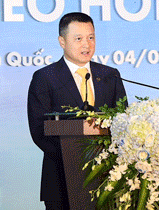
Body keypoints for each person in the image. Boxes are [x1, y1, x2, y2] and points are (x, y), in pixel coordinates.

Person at [27, 12, 127, 210]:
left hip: (107, 180)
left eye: (91, 37)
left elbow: (123, 121)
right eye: (78, 39)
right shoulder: (45, 77)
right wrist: (74, 160)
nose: (86, 45)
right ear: (62, 41)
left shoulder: (110, 75)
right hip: (61, 180)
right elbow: (39, 130)